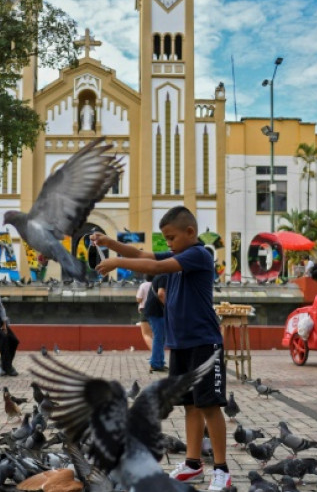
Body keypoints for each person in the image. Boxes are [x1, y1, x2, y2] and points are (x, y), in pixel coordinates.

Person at [92, 206, 231, 491]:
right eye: (165, 239)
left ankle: (222, 469)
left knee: (209, 405)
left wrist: (116, 261)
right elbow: (142, 254)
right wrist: (110, 243)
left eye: (171, 238)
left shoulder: (198, 254)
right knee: (190, 405)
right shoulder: (178, 255)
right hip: (181, 344)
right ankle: (193, 463)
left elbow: (154, 268)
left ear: (190, 232)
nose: (168, 244)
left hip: (204, 343)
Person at [144, 273, 169, 373]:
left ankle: (159, 362)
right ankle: (155, 363)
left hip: (154, 310)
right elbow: (161, 294)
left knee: (161, 337)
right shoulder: (164, 276)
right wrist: (169, 307)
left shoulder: (160, 275)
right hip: (156, 311)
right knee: (159, 337)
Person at [136, 275, 154, 350]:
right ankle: (158, 352)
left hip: (145, 310)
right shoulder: (157, 284)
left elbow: (139, 299)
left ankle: (155, 352)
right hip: (158, 310)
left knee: (146, 334)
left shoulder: (143, 285)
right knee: (155, 334)